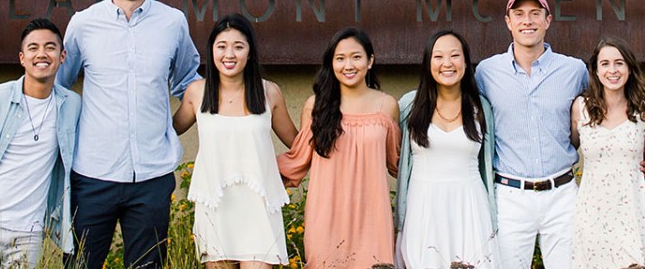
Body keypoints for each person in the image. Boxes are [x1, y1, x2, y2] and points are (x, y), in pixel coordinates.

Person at [56, 0, 201, 269]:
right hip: (93, 175)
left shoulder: (173, 22)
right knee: (79, 265)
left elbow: (189, 84)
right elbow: (59, 86)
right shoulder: (83, 23)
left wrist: (170, 128)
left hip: (152, 176)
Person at [474, 0, 588, 269]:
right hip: (511, 194)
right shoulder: (486, 72)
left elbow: (594, 120)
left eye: (535, 14)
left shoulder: (574, 71)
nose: (527, 21)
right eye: (519, 14)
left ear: (548, 20)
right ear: (508, 22)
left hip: (562, 193)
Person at [172, 15, 298, 265]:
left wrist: (288, 170)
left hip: (258, 206)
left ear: (250, 53)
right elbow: (166, 133)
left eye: (238, 47)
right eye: (222, 46)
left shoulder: (269, 92)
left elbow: (297, 143)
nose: (229, 54)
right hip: (216, 205)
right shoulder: (197, 93)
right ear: (212, 51)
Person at [0, 19, 81, 269]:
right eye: (33, 48)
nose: (42, 54)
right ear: (22, 58)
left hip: (28, 237)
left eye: (50, 47)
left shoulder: (71, 105)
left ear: (62, 56)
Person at [278, 28, 400, 269]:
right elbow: (297, 160)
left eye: (356, 57)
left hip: (373, 219)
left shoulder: (387, 105)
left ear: (370, 61)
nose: (348, 65)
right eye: (340, 58)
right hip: (325, 218)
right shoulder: (316, 106)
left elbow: (398, 164)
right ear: (331, 63)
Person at [395, 30, 498, 268]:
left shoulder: (481, 107)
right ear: (428, 63)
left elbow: (490, 158)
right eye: (438, 56)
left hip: (469, 206)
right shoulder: (409, 105)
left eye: (455, 55)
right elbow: (393, 155)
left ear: (466, 62)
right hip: (423, 206)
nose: (447, 63)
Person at [569, 37, 645, 269]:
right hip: (592, 210)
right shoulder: (581, 107)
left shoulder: (643, 108)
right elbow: (567, 151)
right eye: (605, 64)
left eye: (619, 63)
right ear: (595, 70)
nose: (613, 70)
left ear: (629, 68)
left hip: (632, 209)